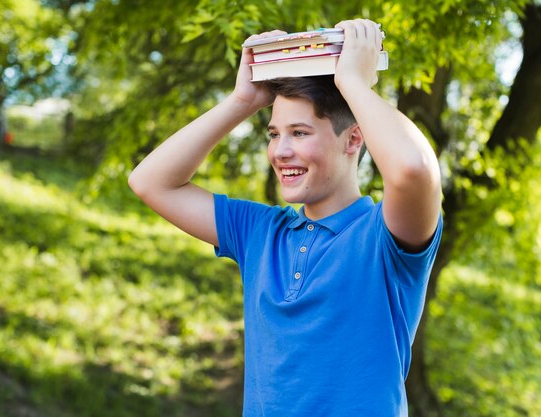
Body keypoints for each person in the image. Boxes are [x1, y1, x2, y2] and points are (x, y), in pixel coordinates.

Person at [129, 19, 442, 417]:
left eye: (299, 133)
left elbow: (414, 170)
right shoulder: (261, 232)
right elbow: (150, 182)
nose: (280, 151)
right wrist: (241, 102)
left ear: (354, 139)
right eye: (274, 134)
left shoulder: (386, 238)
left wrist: (354, 84)